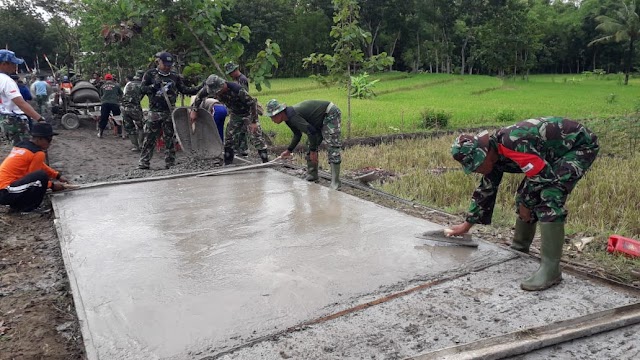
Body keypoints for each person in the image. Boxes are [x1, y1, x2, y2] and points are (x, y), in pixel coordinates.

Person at [449, 117, 599, 291]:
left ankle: (551, 270)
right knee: (524, 199)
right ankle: (520, 249)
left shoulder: (513, 143)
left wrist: (526, 204)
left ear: (484, 153)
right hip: (551, 154)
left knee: (549, 198)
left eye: (476, 165)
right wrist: (466, 226)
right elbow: (486, 190)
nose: (476, 170)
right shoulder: (493, 155)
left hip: (578, 147)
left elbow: (542, 178)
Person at [138, 52, 201, 170]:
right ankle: (144, 162)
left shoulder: (174, 76)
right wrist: (153, 87)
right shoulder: (150, 74)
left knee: (170, 138)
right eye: (165, 64)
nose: (167, 67)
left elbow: (184, 89)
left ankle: (170, 162)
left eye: (169, 65)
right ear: (159, 62)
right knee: (150, 138)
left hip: (169, 111)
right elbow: (141, 89)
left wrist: (199, 88)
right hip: (155, 111)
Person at [265, 99, 342, 190]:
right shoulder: (288, 119)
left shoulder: (293, 116)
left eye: (272, 117)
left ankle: (335, 183)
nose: (272, 120)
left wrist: (313, 151)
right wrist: (289, 150)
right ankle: (312, 175)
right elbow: (298, 135)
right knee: (310, 143)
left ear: (279, 113)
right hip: (317, 121)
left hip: (329, 113)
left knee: (332, 145)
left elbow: (311, 132)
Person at [191, 74, 268, 164]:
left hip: (248, 113)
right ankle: (228, 163)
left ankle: (265, 162)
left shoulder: (237, 89)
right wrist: (194, 110)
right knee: (229, 138)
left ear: (222, 85)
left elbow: (252, 104)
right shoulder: (209, 89)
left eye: (218, 92)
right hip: (235, 114)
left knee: (256, 136)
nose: (217, 94)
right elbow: (199, 97)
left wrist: (254, 121)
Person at [0, 122, 69, 213]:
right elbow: (36, 179)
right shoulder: (38, 153)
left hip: (5, 189)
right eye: (49, 140)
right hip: (6, 191)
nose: (50, 143)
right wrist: (53, 186)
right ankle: (28, 208)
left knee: (40, 177)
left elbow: (41, 165)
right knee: (41, 178)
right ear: (39, 139)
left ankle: (18, 205)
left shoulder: (22, 145)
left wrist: (57, 175)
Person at [0, 50, 47, 145]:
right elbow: (21, 103)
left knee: (17, 149)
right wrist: (39, 119)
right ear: (4, 64)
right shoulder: (7, 81)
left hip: (4, 118)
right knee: (25, 149)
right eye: (13, 63)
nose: (15, 66)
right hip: (15, 120)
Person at [225, 62, 249, 157]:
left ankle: (242, 150)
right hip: (237, 109)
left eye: (231, 73)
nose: (230, 75)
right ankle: (237, 149)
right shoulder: (237, 79)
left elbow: (243, 95)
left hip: (243, 109)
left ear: (235, 70)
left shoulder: (242, 80)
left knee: (241, 130)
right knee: (235, 130)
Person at [122, 71, 145, 151]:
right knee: (141, 126)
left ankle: (135, 146)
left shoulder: (129, 84)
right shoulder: (142, 85)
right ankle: (141, 144)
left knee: (130, 127)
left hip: (125, 108)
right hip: (135, 108)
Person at [97, 73, 123, 138]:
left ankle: (100, 133)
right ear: (111, 79)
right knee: (117, 117)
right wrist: (119, 100)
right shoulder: (116, 85)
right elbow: (121, 94)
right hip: (114, 103)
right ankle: (119, 133)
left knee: (104, 118)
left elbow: (101, 95)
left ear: (105, 79)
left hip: (105, 103)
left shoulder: (102, 86)